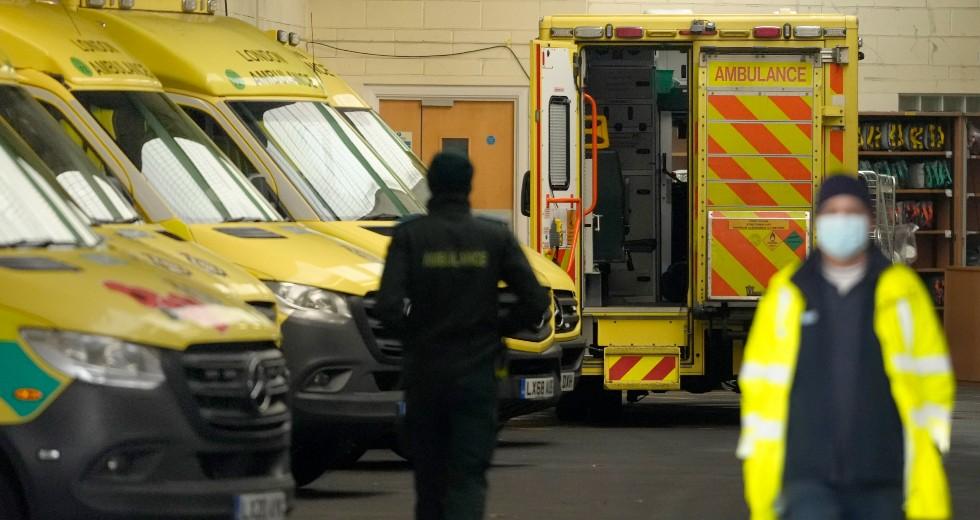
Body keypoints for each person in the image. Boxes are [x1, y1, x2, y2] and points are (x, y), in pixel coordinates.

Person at [738, 174, 955, 520]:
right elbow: (759, 386)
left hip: (882, 474)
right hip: (806, 476)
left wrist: (929, 445)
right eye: (833, 212)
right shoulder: (787, 294)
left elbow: (934, 380)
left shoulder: (902, 292)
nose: (842, 221)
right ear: (818, 222)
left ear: (870, 221)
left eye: (852, 212)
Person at [376, 152, 549, 520]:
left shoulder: (410, 237)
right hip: (477, 374)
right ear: (469, 186)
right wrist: (497, 328)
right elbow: (535, 300)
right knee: (467, 476)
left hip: (426, 375)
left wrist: (415, 335)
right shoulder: (494, 236)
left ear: (431, 186)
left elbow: (387, 307)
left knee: (429, 478)